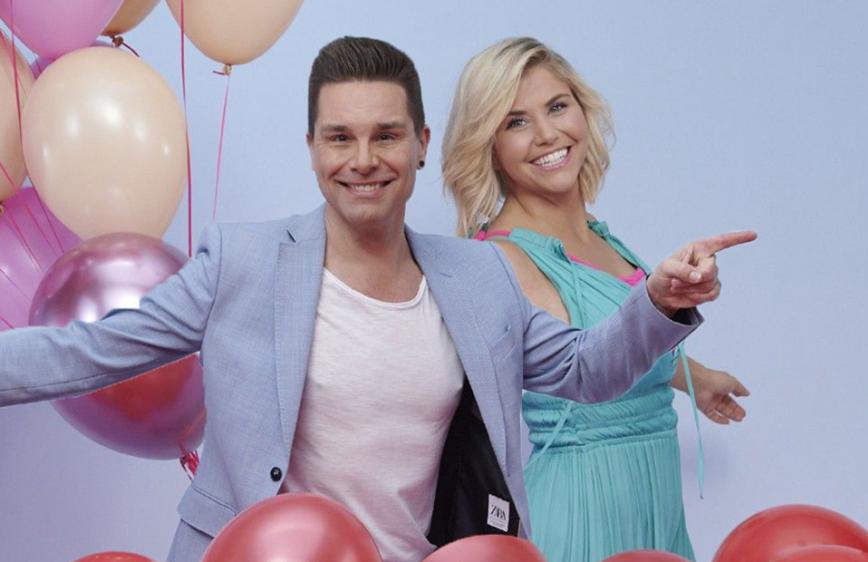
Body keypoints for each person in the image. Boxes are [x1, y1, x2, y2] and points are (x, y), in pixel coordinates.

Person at [0, 37, 752, 562]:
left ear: (421, 143)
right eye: (340, 138)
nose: (363, 161)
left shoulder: (478, 277)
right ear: (312, 147)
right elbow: (89, 350)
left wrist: (658, 301)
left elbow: (587, 370)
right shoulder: (243, 262)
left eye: (386, 136)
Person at [442, 37, 752, 561]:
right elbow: (587, 360)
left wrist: (694, 376)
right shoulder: (501, 260)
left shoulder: (599, 235)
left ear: (582, 110)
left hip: (654, 501)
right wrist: (661, 299)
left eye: (557, 106)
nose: (547, 134)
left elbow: (617, 336)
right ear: (489, 144)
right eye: (516, 122)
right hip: (580, 508)